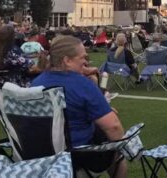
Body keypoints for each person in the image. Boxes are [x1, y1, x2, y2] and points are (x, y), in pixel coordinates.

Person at [31, 35, 127, 178]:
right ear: (67, 60)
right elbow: (113, 127)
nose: (86, 61)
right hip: (77, 157)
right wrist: (121, 147)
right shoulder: (81, 85)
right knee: (118, 156)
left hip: (41, 156)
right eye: (82, 58)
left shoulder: (36, 83)